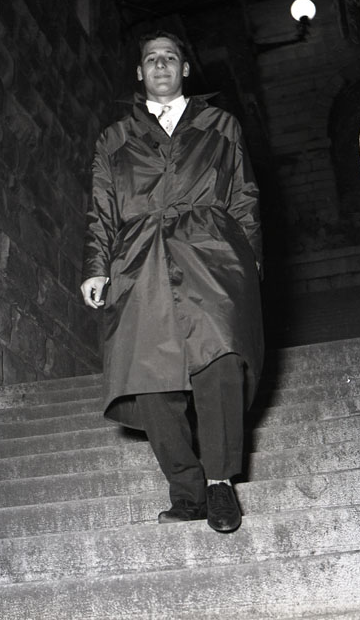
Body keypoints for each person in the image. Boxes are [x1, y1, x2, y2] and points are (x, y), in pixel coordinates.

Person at [81, 30, 263, 533]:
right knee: (149, 374)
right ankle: (187, 491)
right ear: (139, 72)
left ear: (184, 69)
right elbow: (102, 209)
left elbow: (244, 197)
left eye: (170, 57)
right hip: (139, 259)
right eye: (151, 59)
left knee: (219, 360)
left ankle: (220, 482)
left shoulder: (220, 125)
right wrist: (96, 266)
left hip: (212, 251)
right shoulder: (115, 138)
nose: (160, 65)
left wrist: (251, 265)